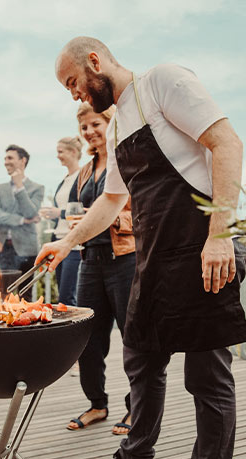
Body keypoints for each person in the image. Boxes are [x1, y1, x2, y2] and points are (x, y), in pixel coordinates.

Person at [37, 37, 246, 459]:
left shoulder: (163, 82)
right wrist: (67, 241)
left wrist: (219, 236)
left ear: (95, 61)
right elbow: (113, 200)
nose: (73, 93)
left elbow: (227, 143)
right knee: (140, 356)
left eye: (73, 82)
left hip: (201, 250)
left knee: (207, 377)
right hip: (154, 257)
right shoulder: (116, 130)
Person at [62, 103, 136, 437]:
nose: (90, 132)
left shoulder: (128, 160)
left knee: (133, 339)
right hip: (89, 261)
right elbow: (80, 214)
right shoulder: (84, 171)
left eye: (96, 124)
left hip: (125, 261)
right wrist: (81, 224)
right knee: (87, 341)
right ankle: (97, 404)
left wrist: (109, 218)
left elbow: (146, 214)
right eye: (85, 128)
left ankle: (137, 409)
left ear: (111, 123)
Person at [39, 136, 82, 306]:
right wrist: (54, 215)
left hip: (74, 244)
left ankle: (73, 331)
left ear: (73, 152)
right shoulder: (64, 180)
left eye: (60, 152)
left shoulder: (83, 176)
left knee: (67, 296)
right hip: (58, 240)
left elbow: (82, 209)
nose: (58, 155)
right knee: (62, 295)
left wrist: (60, 212)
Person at [0, 144, 44, 274]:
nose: (6, 162)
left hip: (26, 249)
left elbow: (30, 213)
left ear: (23, 160)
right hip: (1, 249)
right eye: (5, 159)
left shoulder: (37, 188)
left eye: (10, 158)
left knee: (25, 293)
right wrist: (22, 220)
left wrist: (20, 187)